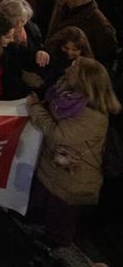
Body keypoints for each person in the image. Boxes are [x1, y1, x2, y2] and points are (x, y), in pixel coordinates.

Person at [25, 58, 121, 248]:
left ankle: (53, 246)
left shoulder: (93, 115)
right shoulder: (67, 96)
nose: (68, 68)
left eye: (74, 68)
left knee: (60, 216)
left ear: (83, 80)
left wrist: (35, 108)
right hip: (54, 167)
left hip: (73, 177)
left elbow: (58, 134)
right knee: (44, 202)